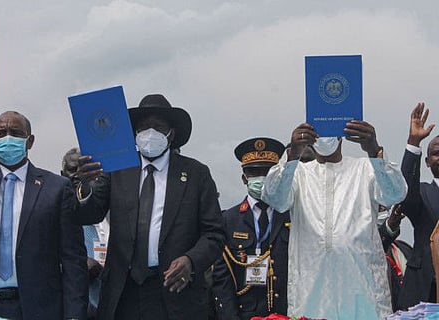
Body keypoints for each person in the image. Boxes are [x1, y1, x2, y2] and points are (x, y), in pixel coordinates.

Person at [73, 94, 225, 320]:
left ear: (171, 134)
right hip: (123, 291)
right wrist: (84, 187)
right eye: (143, 127)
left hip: (175, 290)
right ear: (134, 134)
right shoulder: (116, 170)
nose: (150, 133)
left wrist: (191, 260)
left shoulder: (196, 174)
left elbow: (214, 234)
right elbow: (89, 213)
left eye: (158, 127)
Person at [262, 120, 408, 319]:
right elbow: (275, 198)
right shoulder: (298, 173)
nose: (324, 136)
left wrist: (374, 151)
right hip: (311, 293)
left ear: (342, 132)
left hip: (363, 292)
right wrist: (292, 155)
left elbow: (395, 194)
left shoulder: (365, 168)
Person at [0, 111, 88, 320]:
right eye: (1, 133)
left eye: (15, 132)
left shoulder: (56, 188)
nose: (7, 138)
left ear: (30, 141)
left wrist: (74, 315)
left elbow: (73, 259)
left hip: (34, 307)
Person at [213, 137, 289, 320]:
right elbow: (222, 279)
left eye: (267, 172)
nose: (261, 178)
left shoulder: (291, 215)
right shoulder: (228, 220)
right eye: (254, 172)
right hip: (244, 313)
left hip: (287, 313)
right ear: (244, 178)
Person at [397, 102, 439, 309]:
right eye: (437, 153)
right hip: (425, 287)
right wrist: (414, 142)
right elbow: (406, 192)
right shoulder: (421, 193)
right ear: (428, 161)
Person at [61, 147, 110, 319]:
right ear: (62, 174)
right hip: (75, 305)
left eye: (85, 169)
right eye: (73, 170)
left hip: (112, 303)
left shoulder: (113, 210)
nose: (79, 175)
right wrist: (83, 263)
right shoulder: (55, 211)